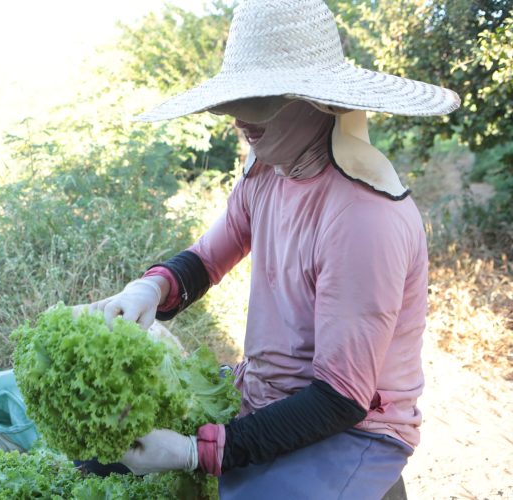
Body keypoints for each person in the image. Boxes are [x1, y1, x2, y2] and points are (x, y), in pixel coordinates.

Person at [82, 0, 460, 498]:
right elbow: (208, 256)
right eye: (239, 101)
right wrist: (149, 289)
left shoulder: (364, 216)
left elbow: (340, 399)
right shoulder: (267, 172)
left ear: (320, 102)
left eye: (265, 100)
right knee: (101, 459)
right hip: (261, 391)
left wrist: (196, 452)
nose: (242, 120)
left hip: (353, 428)